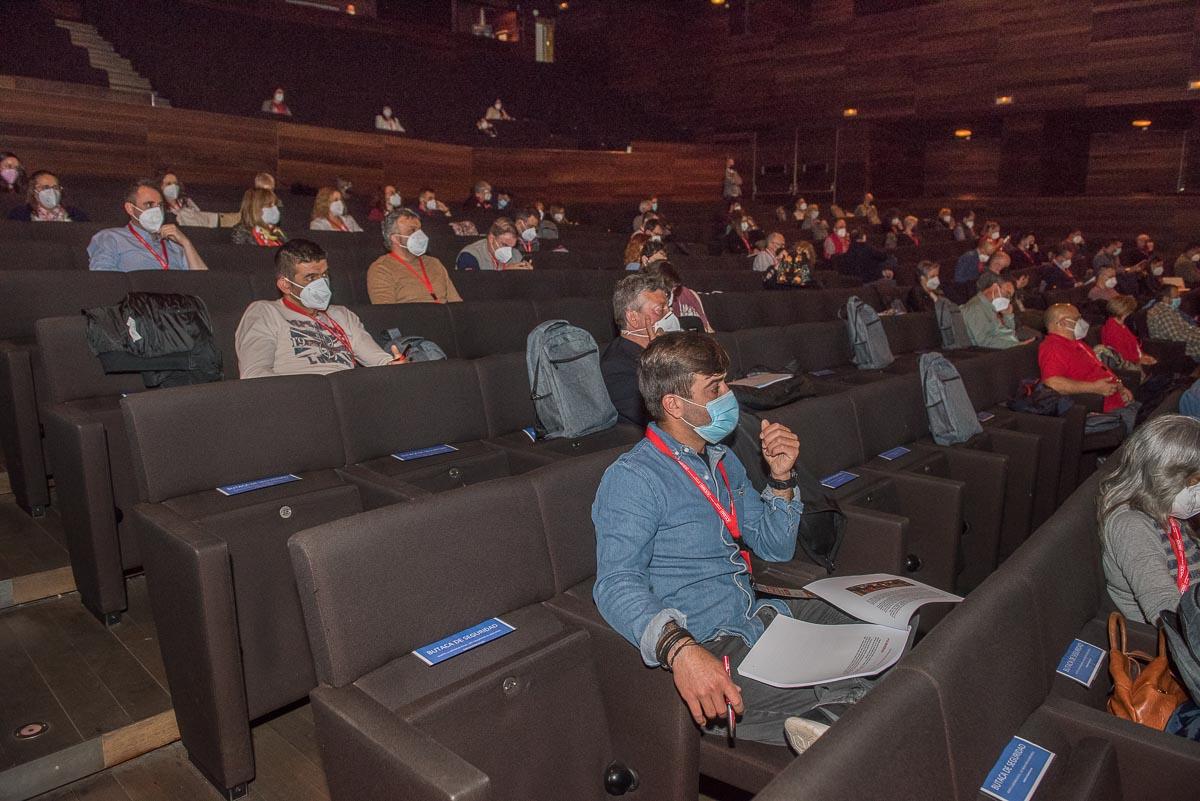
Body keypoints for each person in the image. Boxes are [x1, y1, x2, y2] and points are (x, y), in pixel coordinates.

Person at [593, 331, 873, 751]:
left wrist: (781, 479)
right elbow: (615, 584)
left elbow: (774, 548)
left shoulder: (723, 460)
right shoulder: (634, 479)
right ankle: (842, 715)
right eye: (715, 387)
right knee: (856, 706)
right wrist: (680, 649)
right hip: (711, 644)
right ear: (675, 404)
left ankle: (843, 704)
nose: (729, 395)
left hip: (759, 617)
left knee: (879, 629)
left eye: (725, 382)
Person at [236, 239, 407, 377]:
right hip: (297, 398)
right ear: (285, 285)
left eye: (324, 275)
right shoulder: (265, 312)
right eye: (310, 277)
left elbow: (378, 361)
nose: (321, 283)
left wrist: (393, 365)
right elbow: (254, 374)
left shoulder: (342, 315)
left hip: (348, 395)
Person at [1098, 415, 1200, 625]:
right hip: (1176, 631)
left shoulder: (1165, 507)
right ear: (1165, 477)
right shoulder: (1131, 525)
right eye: (1195, 482)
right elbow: (1164, 607)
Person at [600, 273, 677, 426]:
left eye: (668, 307)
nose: (669, 315)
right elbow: (664, 419)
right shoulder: (616, 367)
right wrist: (659, 359)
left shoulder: (669, 350)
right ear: (633, 318)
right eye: (659, 309)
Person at [1039, 303, 1135, 423]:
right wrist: (1094, 387)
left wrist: (1120, 385)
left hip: (1118, 401)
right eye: (1077, 319)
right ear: (1063, 322)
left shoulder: (1078, 342)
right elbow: (1052, 383)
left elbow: (1100, 367)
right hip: (1101, 410)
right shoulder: (1053, 347)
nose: (1082, 322)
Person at [87, 179, 209, 272]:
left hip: (177, 302)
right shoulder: (110, 237)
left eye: (160, 206)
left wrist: (186, 244)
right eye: (149, 205)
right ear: (130, 208)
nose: (156, 211)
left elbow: (203, 282)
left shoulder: (174, 243)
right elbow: (103, 280)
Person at [367, 209, 461, 304]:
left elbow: (457, 304)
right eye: (412, 230)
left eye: (419, 230)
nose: (420, 235)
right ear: (395, 238)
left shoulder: (434, 263)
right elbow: (386, 314)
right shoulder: (381, 269)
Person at [962, 272, 1031, 349]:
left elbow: (1008, 331)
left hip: (1011, 344)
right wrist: (1017, 346)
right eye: (1007, 294)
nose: (1008, 300)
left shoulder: (992, 306)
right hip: (998, 352)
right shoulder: (975, 308)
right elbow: (984, 341)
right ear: (994, 287)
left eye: (1009, 297)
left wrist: (1008, 316)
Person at [653, 262, 713, 333]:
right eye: (671, 288)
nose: (672, 292)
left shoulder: (682, 293)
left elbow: (705, 326)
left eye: (674, 288)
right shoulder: (651, 302)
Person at [1101, 295, 1158, 369]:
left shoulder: (1120, 324)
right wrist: (1141, 360)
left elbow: (1134, 346)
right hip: (1130, 366)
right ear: (1125, 312)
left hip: (1137, 358)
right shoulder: (1113, 331)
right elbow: (1123, 357)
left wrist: (1143, 355)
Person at [1147, 283, 1200, 362]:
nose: (1179, 299)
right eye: (1176, 297)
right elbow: (1178, 337)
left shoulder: (1169, 310)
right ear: (1165, 299)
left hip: (1185, 345)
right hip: (1182, 350)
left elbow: (1187, 328)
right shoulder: (1163, 313)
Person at [7, 170, 88, 222]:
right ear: (34, 192)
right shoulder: (20, 214)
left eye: (55, 187)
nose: (52, 191)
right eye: (46, 187)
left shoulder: (75, 214)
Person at [456, 217, 532, 270]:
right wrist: (505, 272)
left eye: (512, 247)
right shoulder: (470, 255)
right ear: (491, 239)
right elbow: (472, 286)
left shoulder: (516, 255)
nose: (509, 251)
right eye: (505, 245)